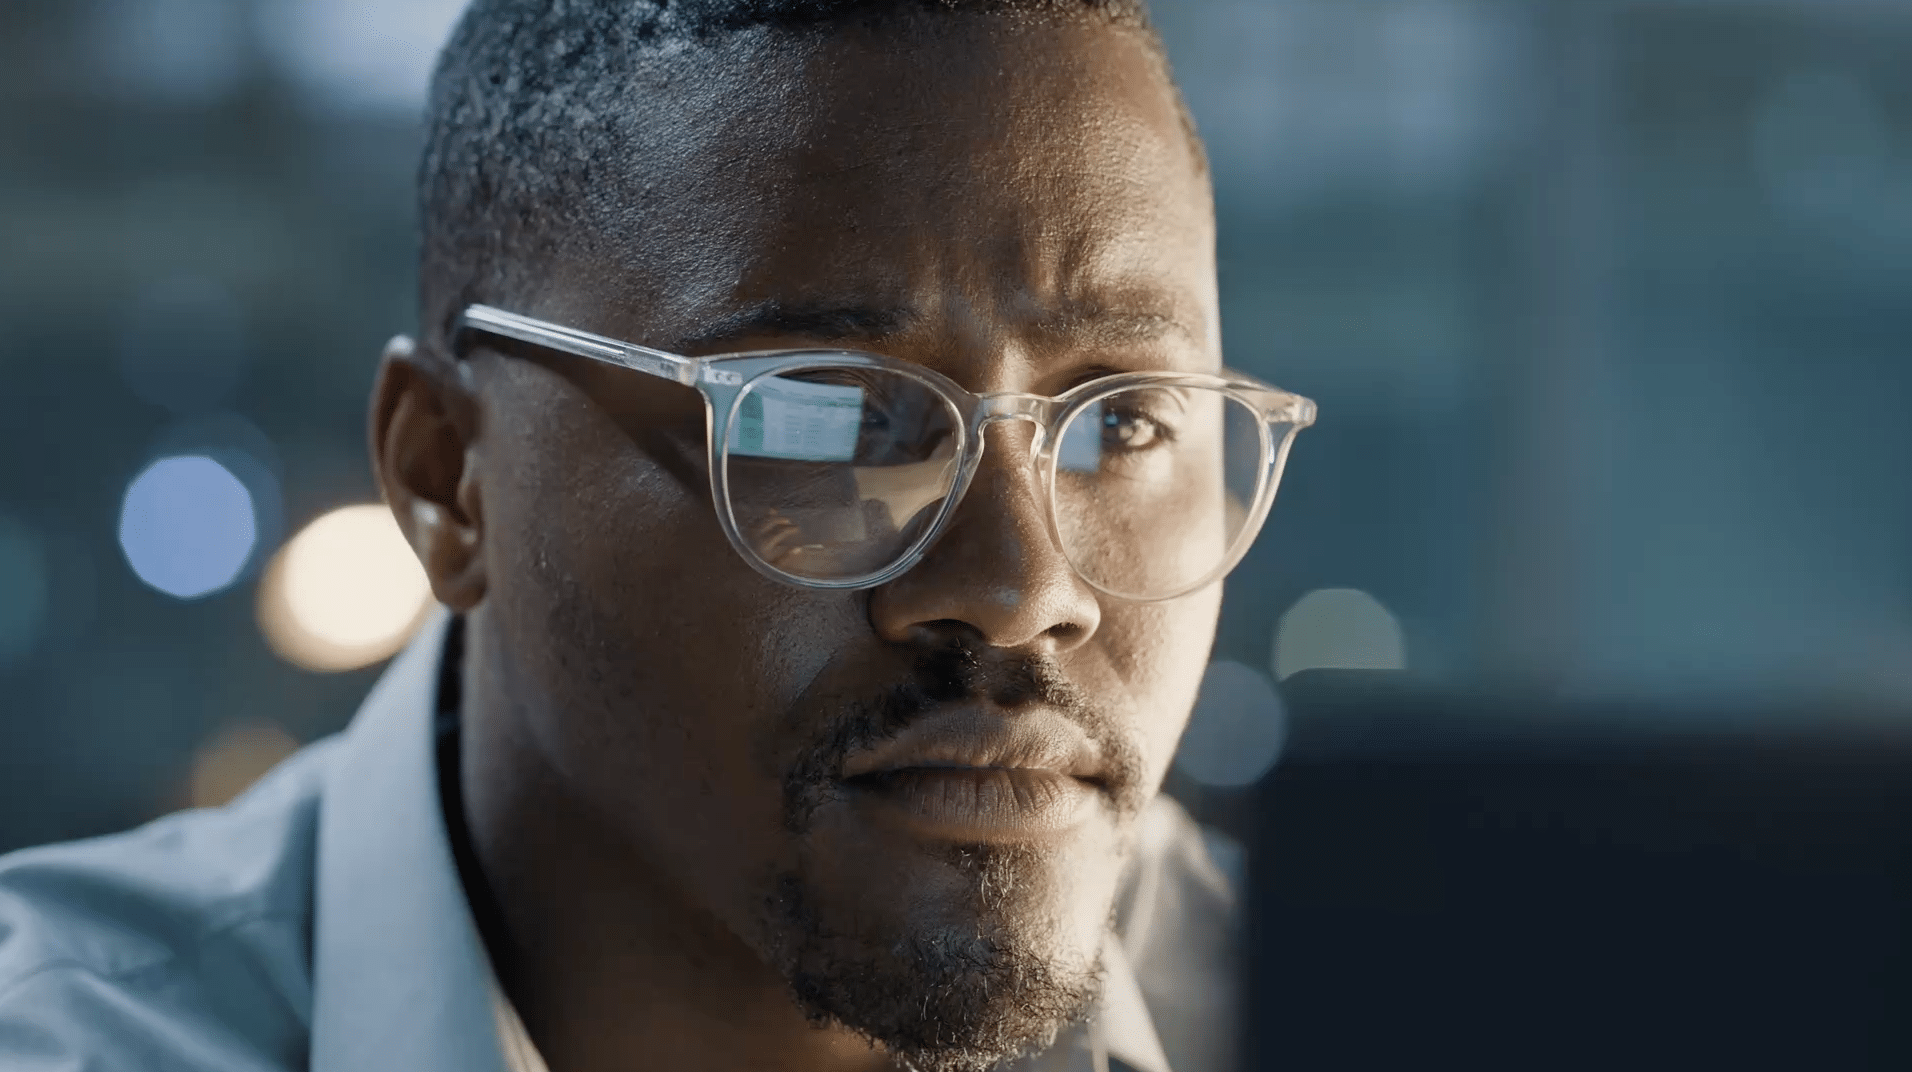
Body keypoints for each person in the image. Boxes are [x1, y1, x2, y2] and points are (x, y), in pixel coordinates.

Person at [0, 2, 1315, 1070]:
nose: (1022, 586)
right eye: (825, 419)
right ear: (449, 476)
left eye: (1123, 424)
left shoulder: (1363, 1013)